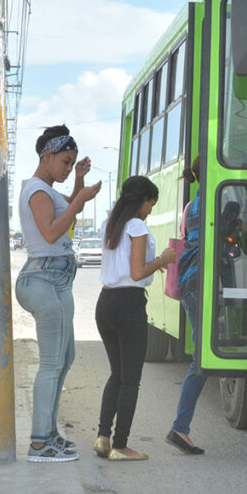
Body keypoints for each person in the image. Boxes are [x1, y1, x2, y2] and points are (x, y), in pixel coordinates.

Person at [16, 125, 101, 463]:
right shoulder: (36, 190)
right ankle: (39, 443)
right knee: (51, 364)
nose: (68, 168)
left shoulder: (47, 189)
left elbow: (69, 212)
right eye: (66, 162)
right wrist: (78, 198)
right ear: (46, 155)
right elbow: (52, 232)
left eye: (74, 163)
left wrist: (78, 185)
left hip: (56, 279)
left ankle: (50, 433)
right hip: (44, 277)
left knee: (64, 359)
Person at [92, 176, 176, 461]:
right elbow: (138, 272)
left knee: (117, 374)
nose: (150, 209)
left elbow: (129, 268)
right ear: (142, 201)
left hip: (105, 303)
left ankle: (103, 436)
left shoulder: (110, 225)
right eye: (151, 203)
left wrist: (153, 266)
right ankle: (121, 445)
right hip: (129, 305)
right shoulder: (137, 226)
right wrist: (163, 259)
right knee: (130, 380)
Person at [165, 156, 208, 455]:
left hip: (191, 283)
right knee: (203, 359)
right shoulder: (213, 203)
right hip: (197, 284)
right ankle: (180, 428)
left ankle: (181, 427)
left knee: (205, 358)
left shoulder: (191, 206)